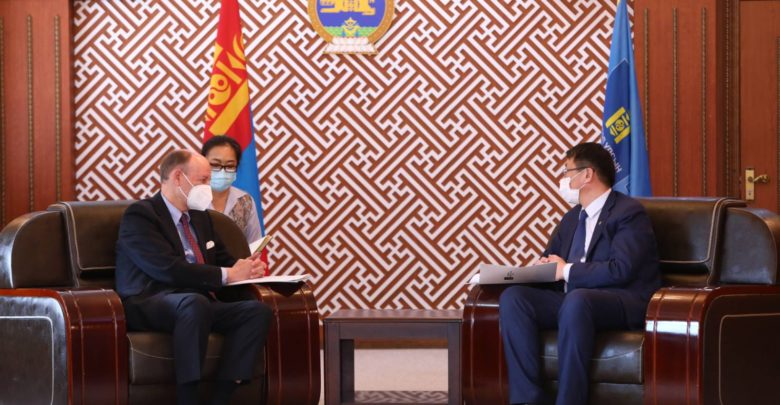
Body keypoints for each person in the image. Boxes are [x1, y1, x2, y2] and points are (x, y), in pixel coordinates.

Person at [499, 142, 661, 405]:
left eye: (567, 171)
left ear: (587, 175)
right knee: (514, 298)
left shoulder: (628, 213)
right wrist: (538, 270)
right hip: (574, 300)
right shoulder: (572, 218)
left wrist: (566, 270)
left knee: (578, 300)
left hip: (619, 299)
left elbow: (621, 269)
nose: (563, 179)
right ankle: (527, 399)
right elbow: (553, 262)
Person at [115, 150, 272, 405]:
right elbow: (167, 269)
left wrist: (246, 269)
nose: (209, 187)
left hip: (197, 303)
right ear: (178, 177)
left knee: (256, 311)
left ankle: (221, 397)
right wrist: (227, 275)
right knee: (194, 304)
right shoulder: (141, 215)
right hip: (151, 300)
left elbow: (225, 261)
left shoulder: (201, 217)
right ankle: (188, 397)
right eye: (203, 180)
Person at [201, 136, 263, 244]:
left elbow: (254, 243)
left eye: (230, 166)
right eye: (215, 164)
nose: (222, 171)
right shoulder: (189, 200)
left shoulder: (245, 201)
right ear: (203, 163)